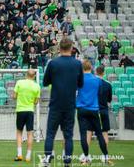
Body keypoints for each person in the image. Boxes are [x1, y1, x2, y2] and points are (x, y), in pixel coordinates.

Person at [41, 38, 84, 167]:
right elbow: (81, 84)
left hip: (55, 104)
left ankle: (47, 160)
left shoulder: (53, 63)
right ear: (71, 48)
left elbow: (45, 82)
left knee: (50, 134)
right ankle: (67, 162)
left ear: (59, 48)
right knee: (68, 135)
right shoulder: (77, 64)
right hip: (70, 105)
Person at [76, 60, 109, 165]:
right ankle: (105, 155)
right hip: (94, 109)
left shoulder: (79, 80)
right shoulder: (97, 80)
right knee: (99, 134)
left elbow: (74, 91)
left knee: (83, 134)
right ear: (91, 68)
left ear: (82, 68)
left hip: (81, 109)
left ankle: (86, 156)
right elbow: (100, 94)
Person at [13, 69, 40, 162]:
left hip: (20, 110)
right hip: (30, 111)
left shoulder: (19, 82)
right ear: (34, 76)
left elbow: (14, 96)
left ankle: (19, 154)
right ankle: (28, 156)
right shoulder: (37, 86)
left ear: (26, 75)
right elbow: (36, 101)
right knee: (30, 134)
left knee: (19, 132)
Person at [87, 66, 112, 150]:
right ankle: (105, 157)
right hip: (103, 111)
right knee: (104, 133)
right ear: (103, 73)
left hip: (92, 111)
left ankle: (85, 156)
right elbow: (109, 100)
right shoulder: (108, 85)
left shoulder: (90, 83)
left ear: (96, 72)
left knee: (89, 132)